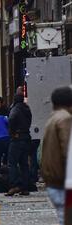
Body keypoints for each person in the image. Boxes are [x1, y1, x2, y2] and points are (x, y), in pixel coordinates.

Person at [41, 86, 72, 225]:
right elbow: (68, 151)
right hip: (63, 182)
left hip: (53, 181)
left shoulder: (53, 118)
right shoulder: (65, 119)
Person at [5, 93, 32, 196]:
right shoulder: (27, 109)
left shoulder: (15, 109)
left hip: (17, 138)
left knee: (12, 163)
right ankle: (25, 187)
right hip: (26, 137)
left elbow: (11, 119)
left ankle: (14, 185)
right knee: (24, 163)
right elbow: (29, 120)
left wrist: (12, 133)